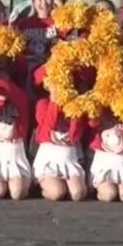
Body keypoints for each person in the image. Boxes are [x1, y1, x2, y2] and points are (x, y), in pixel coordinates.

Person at [31, 67, 87, 201]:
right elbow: (46, 130)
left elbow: (74, 136)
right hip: (49, 158)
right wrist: (54, 101)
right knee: (57, 193)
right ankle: (42, 187)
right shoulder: (43, 104)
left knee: (77, 194)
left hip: (69, 158)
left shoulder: (75, 106)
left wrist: (75, 107)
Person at [89, 112, 123, 203]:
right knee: (109, 195)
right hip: (104, 166)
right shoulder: (99, 108)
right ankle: (98, 190)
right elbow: (92, 123)